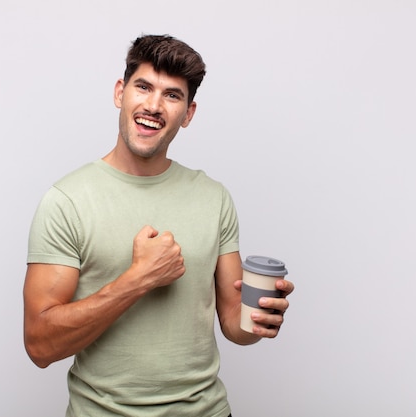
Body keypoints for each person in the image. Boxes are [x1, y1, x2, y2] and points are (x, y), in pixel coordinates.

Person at [23, 34, 295, 417]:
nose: (153, 105)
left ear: (188, 113)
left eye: (172, 95)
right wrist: (139, 279)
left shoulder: (213, 197)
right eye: (143, 87)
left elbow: (234, 324)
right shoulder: (67, 201)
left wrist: (261, 317)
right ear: (121, 92)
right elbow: (40, 345)